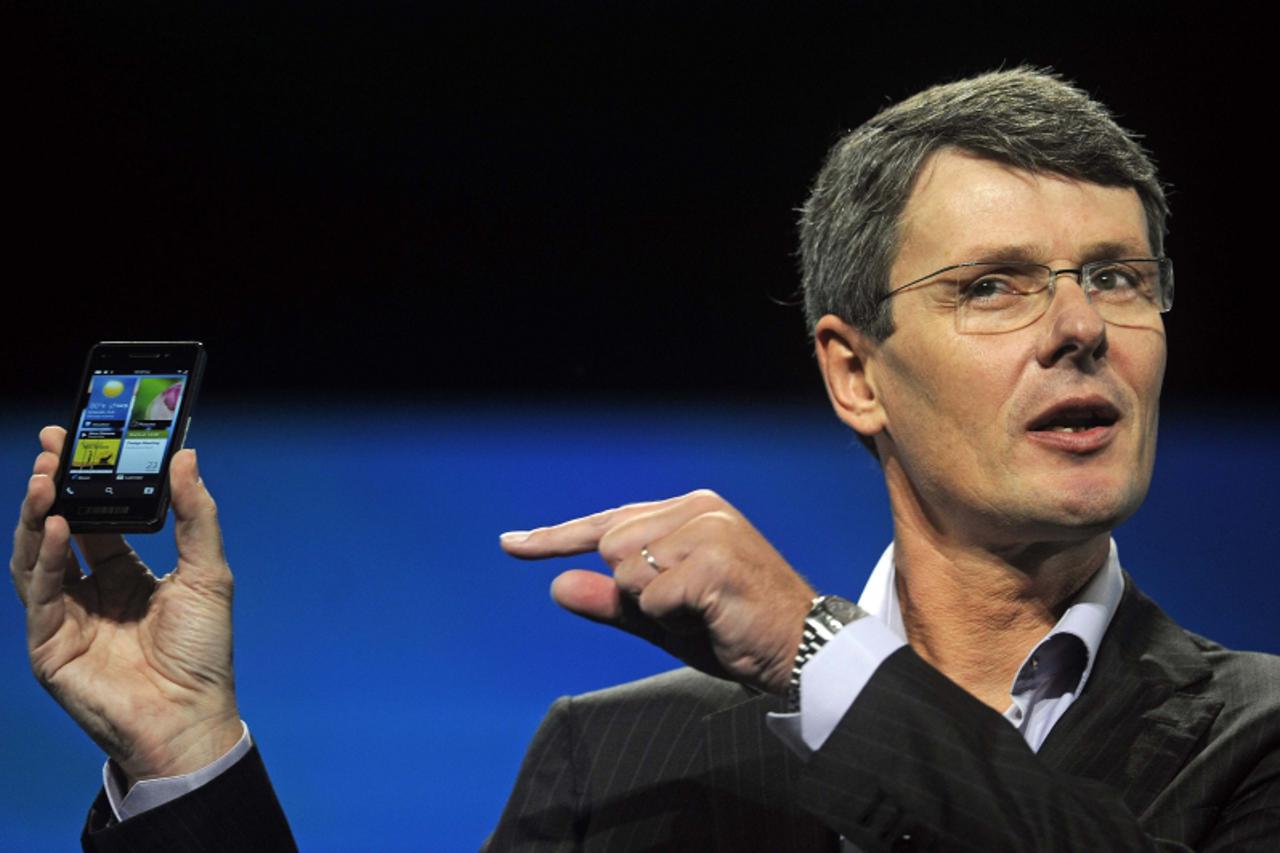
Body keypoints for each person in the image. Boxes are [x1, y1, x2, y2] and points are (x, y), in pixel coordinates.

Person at [9, 68, 1279, 851]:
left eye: (1115, 276)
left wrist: (812, 648)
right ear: (853, 371)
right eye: (994, 286)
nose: (1077, 326)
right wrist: (185, 760)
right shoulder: (616, 764)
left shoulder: (1256, 742)